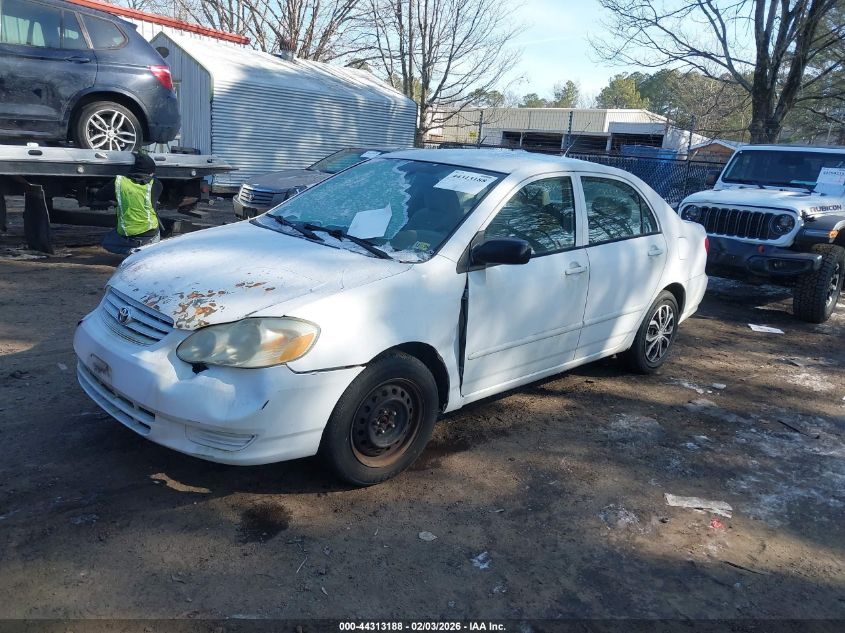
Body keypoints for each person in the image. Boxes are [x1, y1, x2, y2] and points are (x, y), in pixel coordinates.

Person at [94, 152, 163, 254]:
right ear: (151, 172)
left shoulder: (119, 182)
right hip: (151, 235)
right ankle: (146, 250)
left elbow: (100, 195)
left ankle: (132, 251)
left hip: (128, 234)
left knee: (107, 242)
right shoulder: (156, 184)